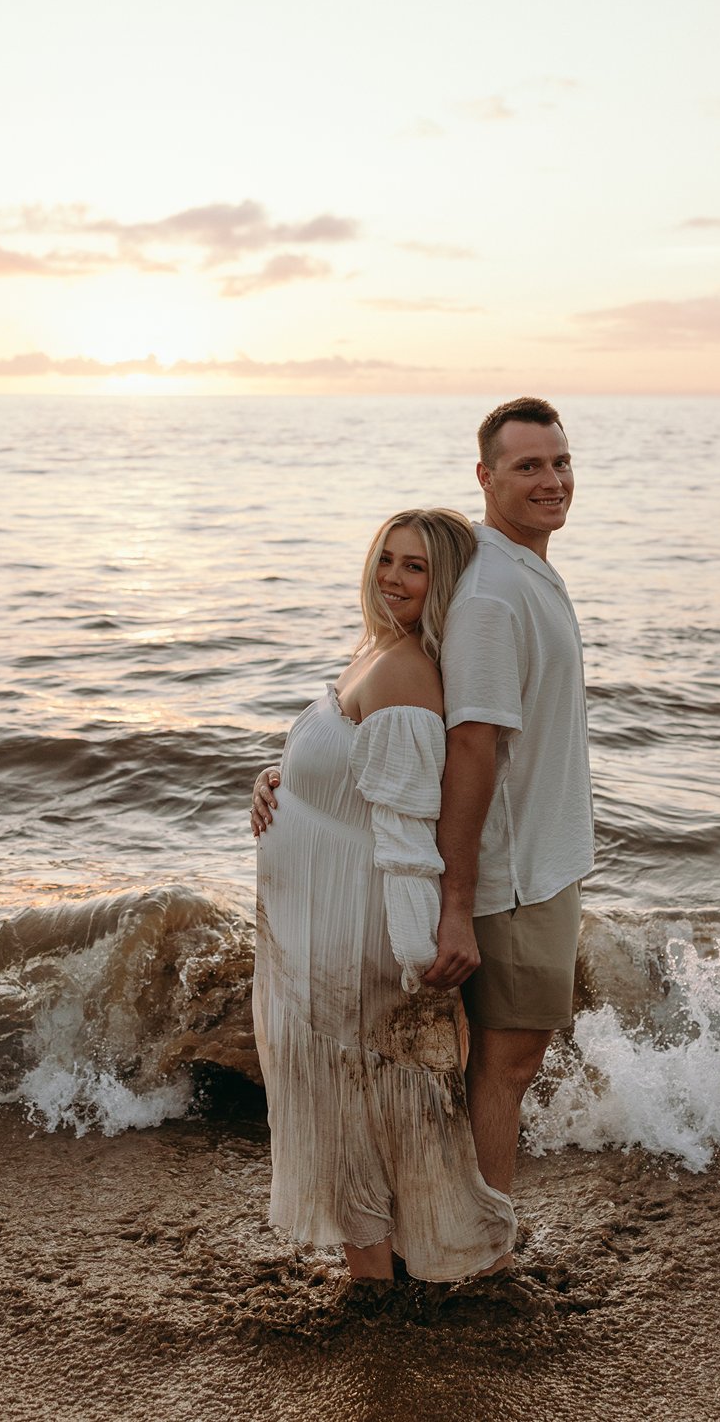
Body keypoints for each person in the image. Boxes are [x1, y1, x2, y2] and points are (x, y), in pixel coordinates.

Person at [254, 398, 593, 1204]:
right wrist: (456, 899)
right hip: (512, 877)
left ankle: (439, 1238)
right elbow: (467, 744)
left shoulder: (506, 570)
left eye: (560, 461)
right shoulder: (487, 595)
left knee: (473, 1066)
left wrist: (296, 773)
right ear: (485, 476)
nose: (552, 481)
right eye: (528, 467)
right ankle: (471, 1255)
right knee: (503, 1069)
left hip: (532, 864)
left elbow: (396, 707)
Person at [249, 508, 515, 1284]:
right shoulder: (377, 651)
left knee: (355, 1105)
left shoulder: (405, 675)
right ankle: (378, 1268)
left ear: (446, 586)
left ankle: (384, 1280)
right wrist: (273, 780)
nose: (392, 578)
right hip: (316, 922)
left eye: (415, 568)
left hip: (354, 927)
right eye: (386, 559)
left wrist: (419, 950)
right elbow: (342, 769)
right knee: (343, 1102)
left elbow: (406, 833)